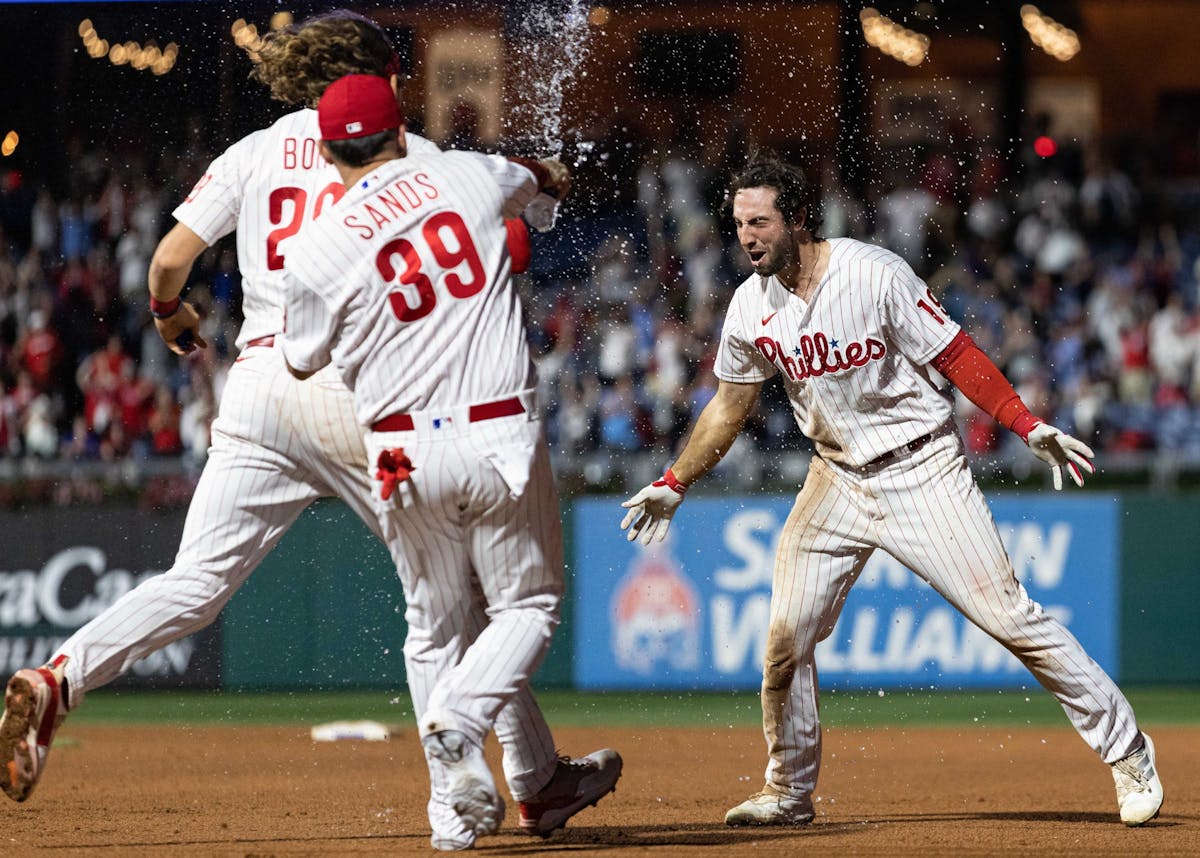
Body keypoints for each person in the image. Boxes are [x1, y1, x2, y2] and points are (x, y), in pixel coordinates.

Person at [0, 9, 620, 842]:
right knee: (453, 601)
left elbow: (167, 264)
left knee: (194, 585)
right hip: (353, 392)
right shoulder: (408, 153)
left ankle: (58, 677)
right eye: (390, 71)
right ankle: (513, 783)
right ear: (371, 80)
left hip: (256, 390)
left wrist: (168, 316)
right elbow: (494, 217)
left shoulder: (254, 151)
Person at [619, 154, 1164, 828]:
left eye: (759, 221)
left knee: (1012, 619)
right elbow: (728, 409)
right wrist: (676, 482)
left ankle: (1129, 749)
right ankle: (788, 791)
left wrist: (1025, 423)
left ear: (799, 219)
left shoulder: (871, 273)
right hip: (835, 478)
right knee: (785, 639)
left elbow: (955, 352)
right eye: (738, 224)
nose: (747, 236)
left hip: (921, 469)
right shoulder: (750, 307)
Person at [280, 73, 613, 850]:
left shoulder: (319, 245)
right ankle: (461, 723)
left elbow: (299, 360)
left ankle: (451, 817)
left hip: (398, 452)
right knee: (524, 607)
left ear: (329, 152)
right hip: (495, 433)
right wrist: (546, 179)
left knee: (432, 628)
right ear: (402, 131)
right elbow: (538, 180)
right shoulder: (464, 172)